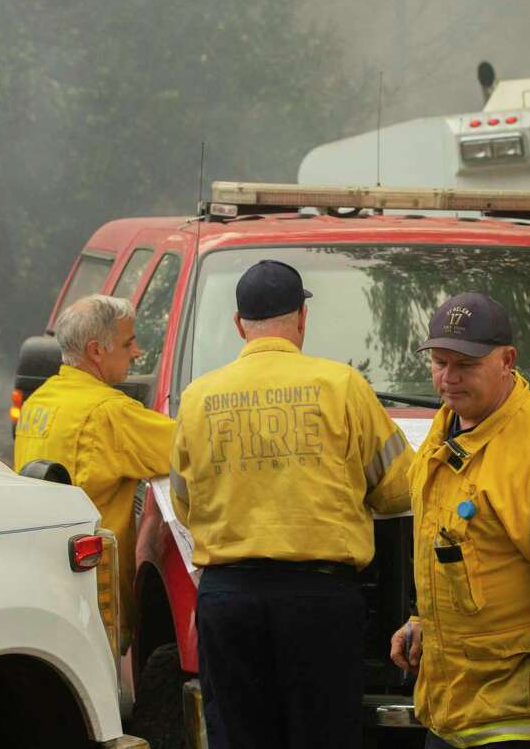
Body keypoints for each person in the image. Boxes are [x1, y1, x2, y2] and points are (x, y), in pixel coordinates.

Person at [170, 259, 412, 749]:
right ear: (302, 317)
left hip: (228, 599)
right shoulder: (342, 386)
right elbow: (398, 488)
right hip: (319, 602)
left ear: (239, 325)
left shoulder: (197, 397)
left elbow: (184, 504)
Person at [389, 293, 530, 749]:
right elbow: (450, 544)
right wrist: (421, 619)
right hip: (450, 712)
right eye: (439, 362)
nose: (448, 379)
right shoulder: (449, 423)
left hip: (515, 723)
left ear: (507, 360)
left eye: (465, 365)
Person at [14, 294, 174, 641]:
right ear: (95, 351)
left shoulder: (38, 403)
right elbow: (196, 450)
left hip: (41, 582)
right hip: (94, 595)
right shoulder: (109, 413)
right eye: (128, 343)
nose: (137, 352)